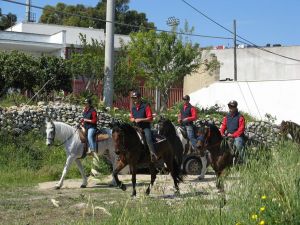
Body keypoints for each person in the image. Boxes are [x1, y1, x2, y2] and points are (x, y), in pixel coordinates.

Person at [130, 90, 158, 162]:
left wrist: (140, 119)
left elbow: (150, 118)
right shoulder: (133, 108)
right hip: (135, 127)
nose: (134, 100)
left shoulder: (146, 106)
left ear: (139, 98)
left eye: (135, 98)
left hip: (145, 128)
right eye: (133, 98)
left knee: (148, 138)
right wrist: (132, 119)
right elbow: (131, 117)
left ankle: (153, 154)